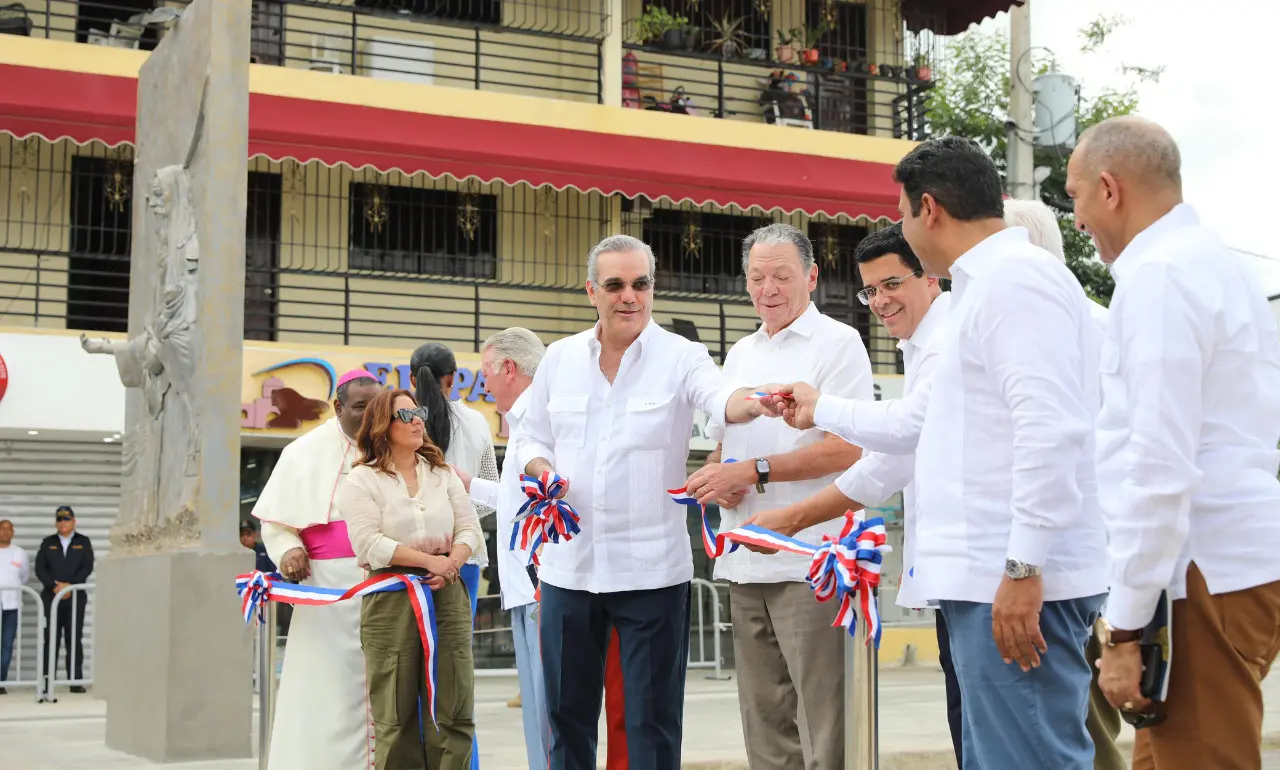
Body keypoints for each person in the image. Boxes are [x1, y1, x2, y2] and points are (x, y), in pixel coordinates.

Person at [1069, 115, 1280, 770]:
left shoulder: (1159, 275)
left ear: (1110, 188)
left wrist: (1125, 627)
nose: (1075, 218)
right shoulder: (1219, 263)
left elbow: (1159, 464)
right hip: (1221, 562)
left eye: (1073, 195)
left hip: (1198, 574)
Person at [891, 136, 1106, 769]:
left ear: (929, 208)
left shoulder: (1017, 279)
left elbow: (1049, 425)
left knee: (1029, 757)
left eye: (902, 213)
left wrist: (1022, 566)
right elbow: (931, 428)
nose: (903, 229)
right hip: (990, 579)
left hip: (1011, 583)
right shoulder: (984, 287)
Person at [517, 234, 770, 770]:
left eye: (641, 284)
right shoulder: (559, 359)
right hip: (568, 570)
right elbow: (528, 441)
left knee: (650, 724)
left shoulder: (683, 357)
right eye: (615, 285)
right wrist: (544, 473)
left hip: (652, 574)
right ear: (592, 291)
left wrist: (752, 404)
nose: (628, 296)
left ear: (653, 289)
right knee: (565, 718)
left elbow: (718, 398)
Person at [748, 225, 955, 763]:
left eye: (892, 284)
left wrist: (810, 419)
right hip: (755, 557)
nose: (881, 301)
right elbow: (891, 461)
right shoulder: (917, 344)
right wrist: (782, 513)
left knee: (829, 731)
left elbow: (889, 434)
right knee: (768, 731)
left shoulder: (935, 338)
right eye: (872, 291)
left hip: (822, 568)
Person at [678, 223, 872, 770]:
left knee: (822, 720)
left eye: (782, 276)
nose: (769, 289)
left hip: (810, 558)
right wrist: (712, 477)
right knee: (762, 719)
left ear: (811, 276)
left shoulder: (839, 343)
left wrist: (752, 471)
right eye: (757, 277)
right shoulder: (740, 351)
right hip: (744, 560)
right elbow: (725, 447)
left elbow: (847, 450)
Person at [1003, 197, 1124, 770]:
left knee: (1061, 726)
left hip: (1054, 552)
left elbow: (1048, 438)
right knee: (1075, 714)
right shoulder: (1099, 319)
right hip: (1087, 550)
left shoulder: (1055, 325)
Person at [340, 389, 482, 770]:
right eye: (407, 415)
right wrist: (427, 561)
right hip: (391, 597)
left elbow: (470, 530)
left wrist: (451, 563)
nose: (419, 419)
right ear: (383, 425)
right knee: (395, 715)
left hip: (446, 594)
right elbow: (369, 544)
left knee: (454, 707)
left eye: (419, 412)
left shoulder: (443, 474)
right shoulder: (361, 480)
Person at [252, 369, 382, 770]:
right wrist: (289, 549)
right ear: (338, 407)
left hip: (383, 583)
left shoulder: (392, 446)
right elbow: (275, 523)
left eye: (375, 407)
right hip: (325, 591)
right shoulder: (302, 452)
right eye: (360, 408)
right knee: (323, 689)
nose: (369, 416)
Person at [452, 327, 553, 770]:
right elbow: (517, 497)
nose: (484, 385)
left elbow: (554, 500)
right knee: (537, 707)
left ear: (508, 369)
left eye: (487, 374)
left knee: (550, 710)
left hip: (540, 585)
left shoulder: (542, 418)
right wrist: (470, 485)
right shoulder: (523, 422)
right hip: (524, 587)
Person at [34, 506, 93, 694]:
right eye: (59, 520)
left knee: (74, 638)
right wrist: (55, 586)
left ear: (74, 521)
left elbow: (87, 567)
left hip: (75, 596)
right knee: (49, 639)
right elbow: (40, 569)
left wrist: (70, 585)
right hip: (51, 597)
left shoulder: (83, 542)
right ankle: (45, 681)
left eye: (66, 519)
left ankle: (75, 681)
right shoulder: (48, 543)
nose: (63, 523)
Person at [0, 518, 30, 694]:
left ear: (13, 532)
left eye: (8, 529)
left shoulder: (19, 553)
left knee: (7, 645)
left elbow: (24, 576)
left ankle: (1, 681)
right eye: (2, 528)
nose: (5, 532)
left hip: (11, 605)